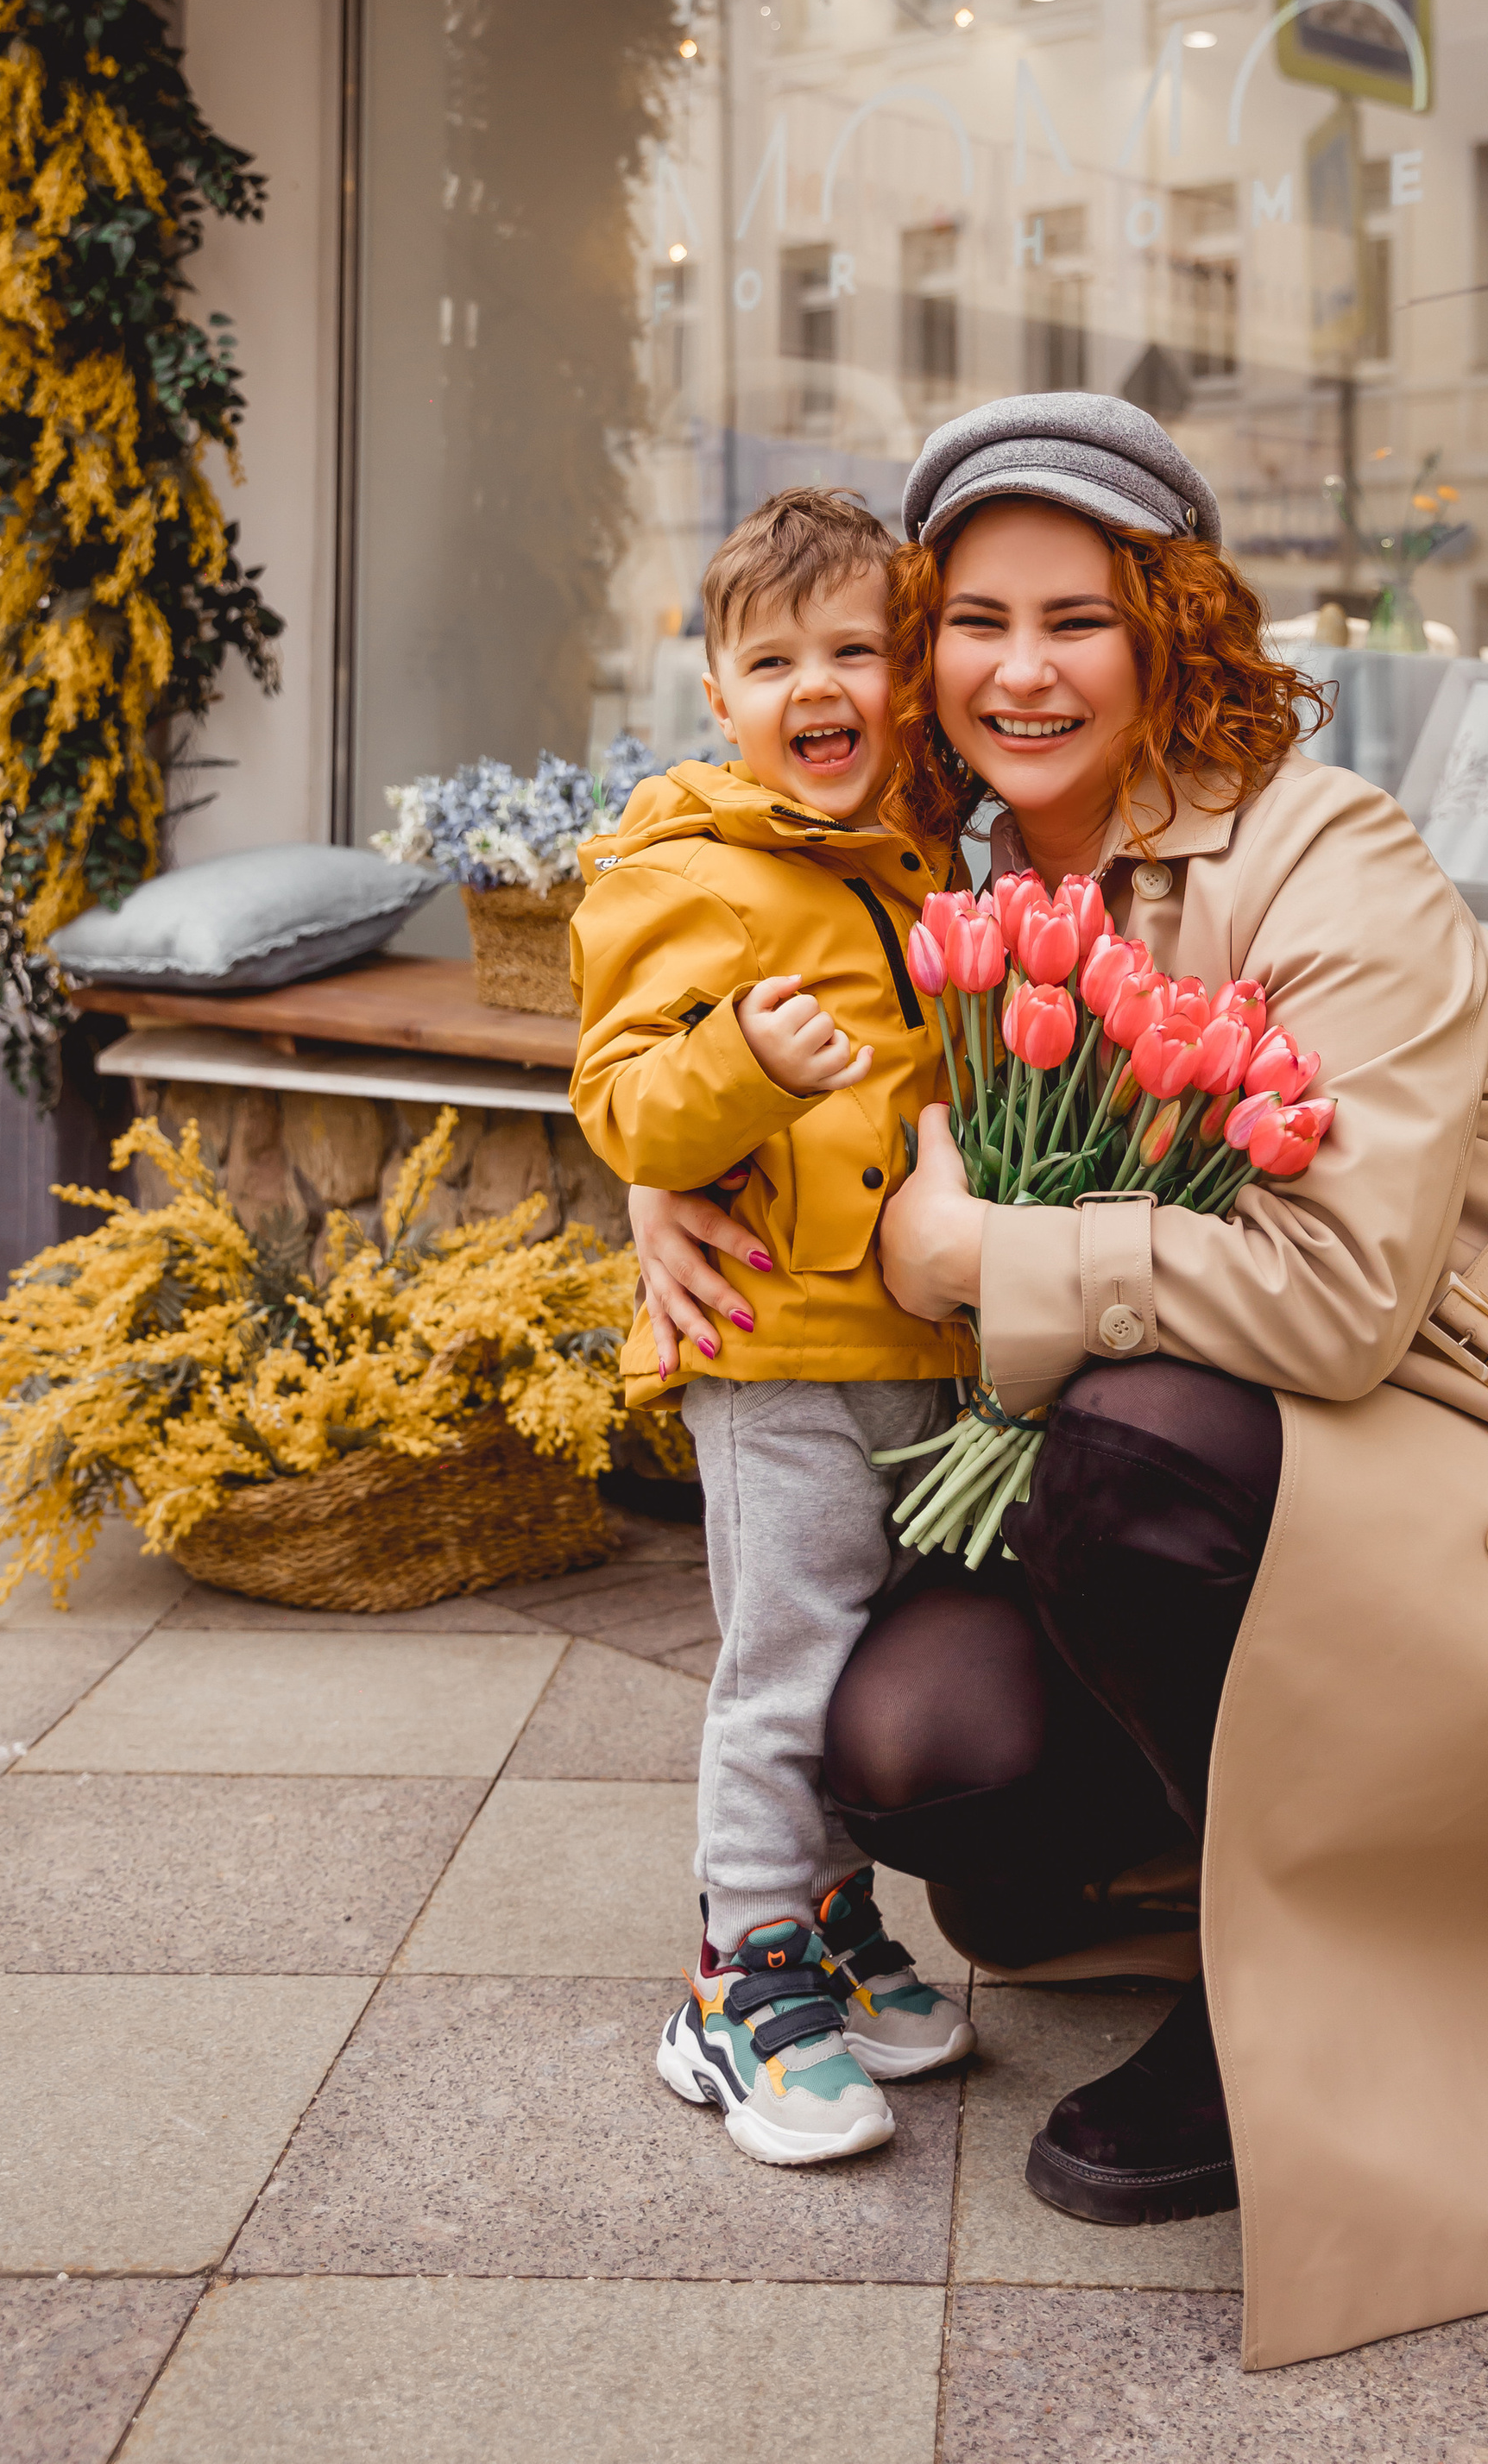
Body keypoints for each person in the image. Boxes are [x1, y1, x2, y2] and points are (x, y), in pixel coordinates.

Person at [628, 396, 1488, 2371]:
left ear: (1166, 630)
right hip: (1217, 1494)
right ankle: (1204, 1869)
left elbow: (1344, 1303)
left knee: (1128, 1447)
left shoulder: (1321, 858)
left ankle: (1282, 1982)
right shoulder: (921, 869)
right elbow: (717, 1001)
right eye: (974, 621)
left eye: (1079, 619)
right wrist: (654, 1167)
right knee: (907, 1743)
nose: (1019, 672)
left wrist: (977, 1261)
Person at [569, 486, 976, 2172]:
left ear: (905, 674)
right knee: (785, 1666)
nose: (818, 684)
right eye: (772, 657)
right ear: (718, 692)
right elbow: (630, 1111)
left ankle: (826, 1919)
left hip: (914, 1353)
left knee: (865, 1662)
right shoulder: (691, 874)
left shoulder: (914, 856)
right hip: (776, 1356)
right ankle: (737, 1982)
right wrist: (743, 1059)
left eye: (854, 650)